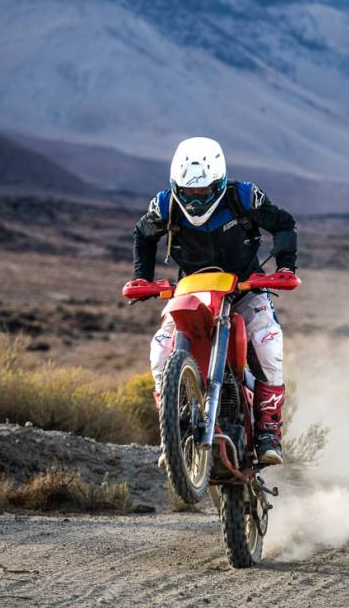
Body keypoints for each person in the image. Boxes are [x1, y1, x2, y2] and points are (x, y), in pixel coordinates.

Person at [131, 136, 298, 465]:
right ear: (176, 186)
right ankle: (175, 436)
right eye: (188, 192)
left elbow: (284, 224)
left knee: (268, 344)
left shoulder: (244, 197)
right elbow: (143, 234)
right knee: (160, 350)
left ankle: (268, 433)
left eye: (203, 192)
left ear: (219, 183)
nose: (195, 199)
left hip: (246, 288)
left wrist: (285, 269)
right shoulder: (164, 205)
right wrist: (142, 278)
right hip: (191, 289)